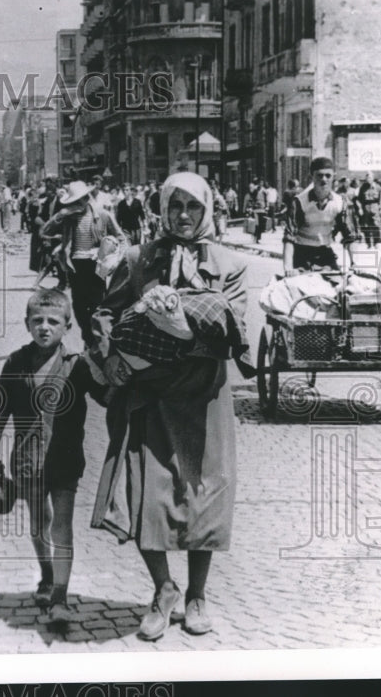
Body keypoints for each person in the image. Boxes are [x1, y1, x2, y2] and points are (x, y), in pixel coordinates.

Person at [90, 171, 250, 641]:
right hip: (152, 394)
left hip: (204, 397)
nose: (183, 215)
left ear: (208, 209)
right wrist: (111, 355)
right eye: (175, 206)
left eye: (193, 207)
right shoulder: (140, 259)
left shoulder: (229, 264)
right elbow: (105, 311)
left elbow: (233, 329)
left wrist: (183, 325)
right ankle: (163, 589)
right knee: (151, 496)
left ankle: (198, 595)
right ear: (162, 209)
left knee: (204, 496)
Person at [0, 289, 103, 622]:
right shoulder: (14, 363)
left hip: (65, 459)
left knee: (61, 527)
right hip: (26, 461)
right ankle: (47, 574)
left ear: (67, 326)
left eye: (53, 321)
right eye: (37, 320)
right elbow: (1, 412)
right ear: (26, 323)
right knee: (40, 523)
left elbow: (106, 394)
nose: (44, 327)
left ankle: (61, 599)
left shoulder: (77, 365)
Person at [41, 180, 125, 348]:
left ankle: (97, 341)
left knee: (96, 304)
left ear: (86, 198)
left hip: (96, 265)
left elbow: (122, 238)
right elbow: (45, 232)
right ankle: (88, 337)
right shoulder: (68, 218)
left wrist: (112, 254)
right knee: (79, 306)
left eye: (79, 201)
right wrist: (60, 214)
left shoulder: (103, 215)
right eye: (73, 202)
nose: (76, 205)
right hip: (75, 265)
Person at [282, 157, 360, 274]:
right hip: (302, 255)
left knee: (337, 287)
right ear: (311, 177)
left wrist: (355, 263)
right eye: (319, 175)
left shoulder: (340, 203)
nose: (324, 180)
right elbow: (289, 237)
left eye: (328, 176)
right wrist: (288, 268)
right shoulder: (299, 202)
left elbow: (350, 235)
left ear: (334, 176)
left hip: (325, 254)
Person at [357, 172, 381, 247]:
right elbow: (359, 199)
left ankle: (376, 243)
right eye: (367, 178)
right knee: (366, 226)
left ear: (373, 178)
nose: (368, 179)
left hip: (375, 207)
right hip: (366, 208)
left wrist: (380, 208)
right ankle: (368, 243)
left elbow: (380, 199)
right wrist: (360, 209)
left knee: (376, 225)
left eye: (370, 178)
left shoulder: (378, 187)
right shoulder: (363, 187)